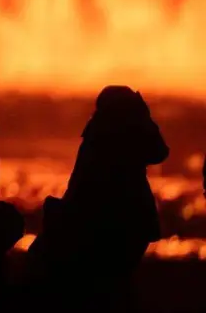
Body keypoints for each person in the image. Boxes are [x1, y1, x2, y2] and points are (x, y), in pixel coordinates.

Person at [31, 86, 170, 308]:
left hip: (105, 225)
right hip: (117, 225)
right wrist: (145, 117)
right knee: (112, 287)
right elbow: (160, 151)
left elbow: (76, 186)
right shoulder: (125, 134)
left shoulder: (97, 134)